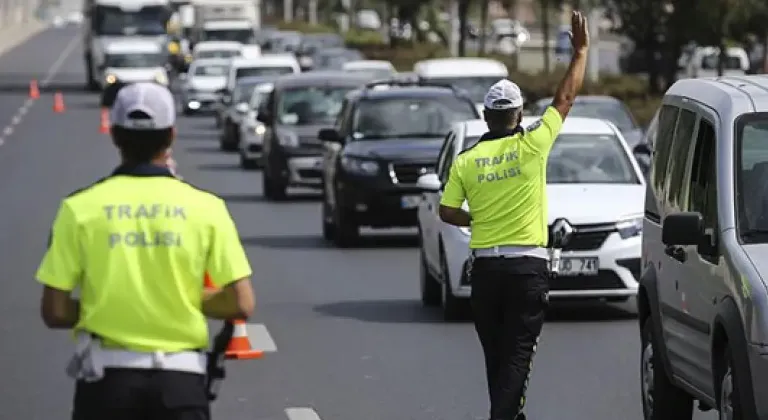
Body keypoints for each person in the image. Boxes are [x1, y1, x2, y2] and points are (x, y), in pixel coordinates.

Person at [36, 82, 256, 420]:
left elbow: (55, 310)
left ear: (113, 134)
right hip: (181, 383)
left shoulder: (79, 209)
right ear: (170, 136)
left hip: (106, 383)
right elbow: (241, 302)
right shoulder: (206, 208)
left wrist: (110, 304)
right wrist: (175, 298)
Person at [437, 10, 589, 420]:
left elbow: (447, 210)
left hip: (486, 272)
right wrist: (580, 52)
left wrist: (477, 220)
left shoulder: (467, 160)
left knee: (497, 358)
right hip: (527, 269)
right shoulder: (534, 145)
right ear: (519, 115)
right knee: (518, 357)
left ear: (486, 117)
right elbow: (565, 99)